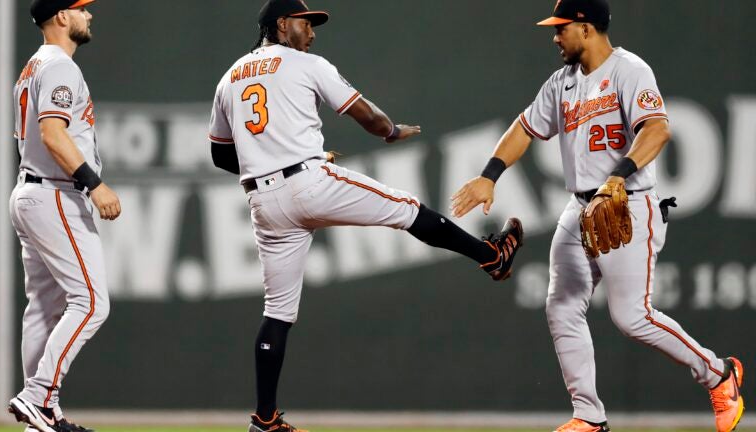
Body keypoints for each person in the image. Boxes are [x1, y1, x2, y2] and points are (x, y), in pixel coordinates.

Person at [208, 0, 524, 430]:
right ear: (282, 25)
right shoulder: (306, 64)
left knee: (277, 312)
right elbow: (367, 116)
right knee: (407, 210)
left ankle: (264, 421)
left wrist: (269, 164)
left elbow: (220, 154)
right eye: (305, 22)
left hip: (263, 201)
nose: (312, 32)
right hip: (308, 182)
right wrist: (391, 132)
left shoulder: (229, 77)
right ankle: (492, 256)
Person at [450, 0, 744, 431]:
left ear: (585, 27)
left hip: (629, 204)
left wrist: (618, 177)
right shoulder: (561, 82)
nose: (555, 36)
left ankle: (719, 374)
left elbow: (657, 128)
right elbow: (525, 127)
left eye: (561, 27)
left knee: (632, 317)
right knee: (562, 305)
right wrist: (489, 175)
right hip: (580, 207)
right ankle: (589, 416)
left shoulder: (630, 71)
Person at [8, 0, 121, 431]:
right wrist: (95, 183)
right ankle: (38, 397)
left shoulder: (31, 68)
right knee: (91, 303)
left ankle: (41, 418)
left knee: (43, 308)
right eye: (80, 9)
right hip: (55, 193)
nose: (88, 15)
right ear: (61, 17)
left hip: (31, 191)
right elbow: (52, 134)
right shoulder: (58, 66)